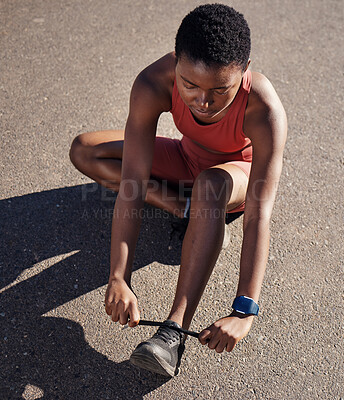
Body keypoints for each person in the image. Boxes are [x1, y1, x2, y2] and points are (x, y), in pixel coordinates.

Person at [69, 3, 287, 377]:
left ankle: (171, 335)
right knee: (85, 149)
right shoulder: (153, 82)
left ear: (244, 71)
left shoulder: (263, 107)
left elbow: (258, 215)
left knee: (210, 185)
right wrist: (118, 276)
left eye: (221, 90)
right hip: (186, 159)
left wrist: (243, 310)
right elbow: (132, 186)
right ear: (176, 67)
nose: (203, 102)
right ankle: (182, 209)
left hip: (233, 179)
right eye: (190, 86)